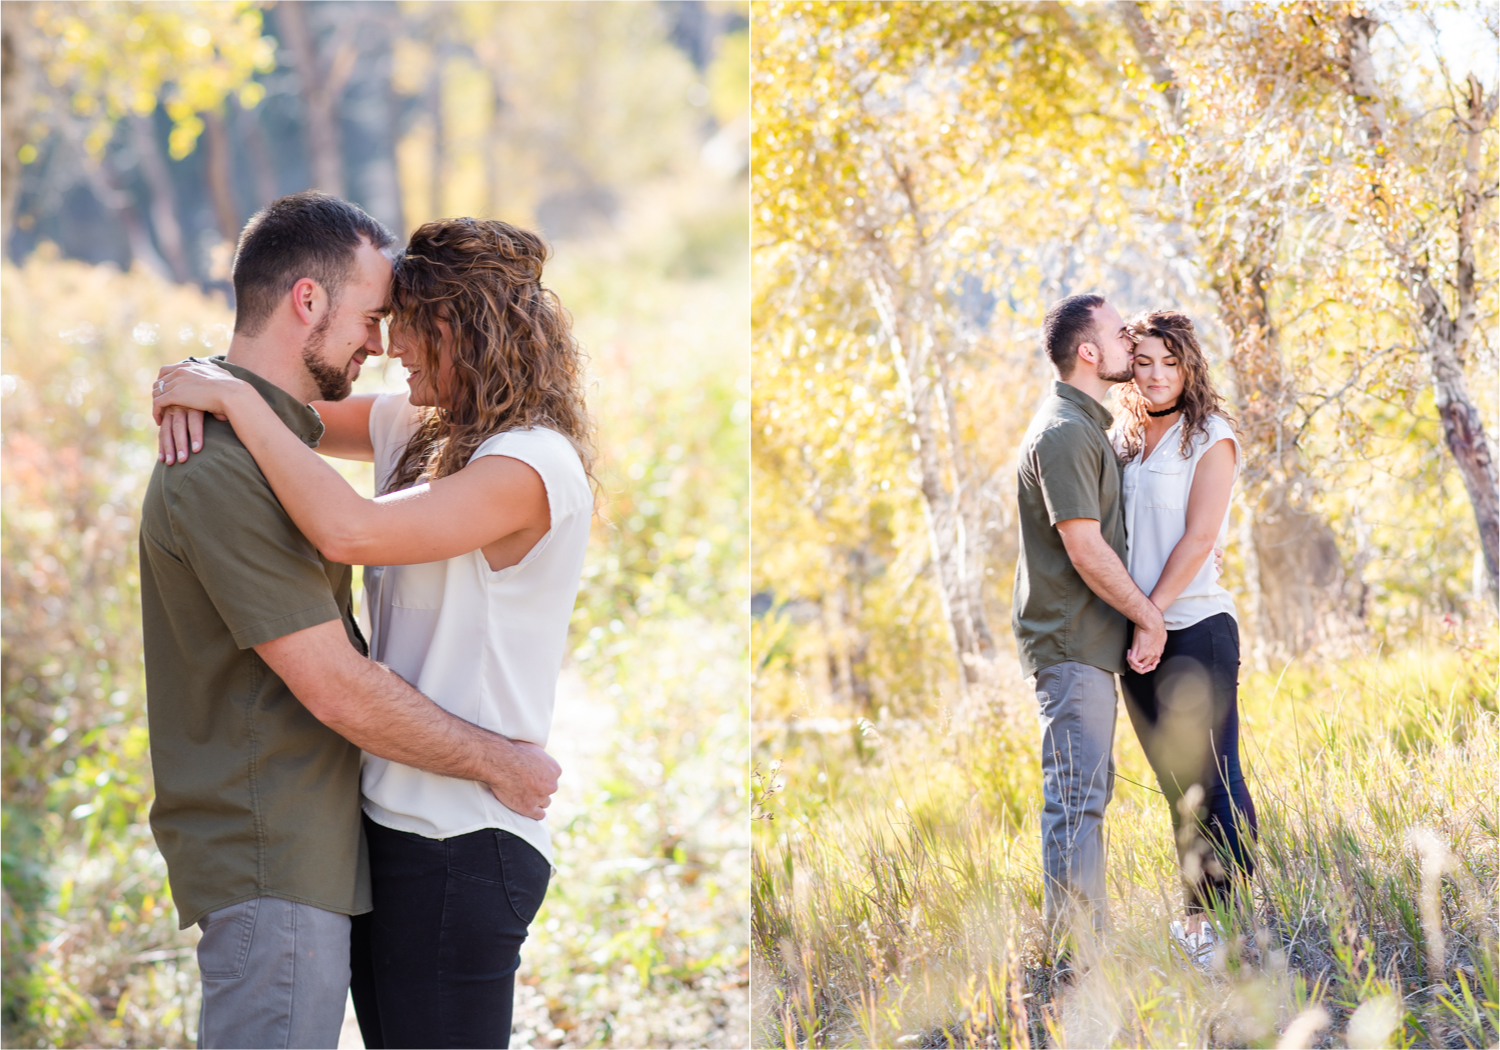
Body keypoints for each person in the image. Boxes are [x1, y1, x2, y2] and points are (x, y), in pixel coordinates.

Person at [153, 216, 595, 1048]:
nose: (390, 346)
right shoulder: (417, 432)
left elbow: (346, 529)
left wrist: (233, 400)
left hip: (468, 836)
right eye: (382, 320)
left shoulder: (531, 467)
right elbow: (296, 396)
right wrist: (197, 380)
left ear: (464, 328)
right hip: (389, 832)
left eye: (408, 324)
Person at [1011, 293, 1168, 973]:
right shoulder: (1064, 432)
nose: (1129, 340)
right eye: (1117, 331)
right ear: (1087, 351)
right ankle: (1078, 962)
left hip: (1084, 645)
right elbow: (1085, 548)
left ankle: (1077, 949)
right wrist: (1147, 613)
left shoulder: (1084, 425)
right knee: (1077, 800)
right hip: (1071, 644)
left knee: (1085, 797)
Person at [1113, 309, 1257, 968]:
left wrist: (1152, 613)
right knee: (1178, 785)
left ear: (1190, 364)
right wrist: (1134, 620)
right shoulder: (1123, 439)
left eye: (1170, 361)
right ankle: (1199, 923)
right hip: (1135, 639)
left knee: (1213, 777)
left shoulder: (1212, 435)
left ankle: (1228, 924)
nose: (1158, 374)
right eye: (1144, 361)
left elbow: (1201, 536)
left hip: (1195, 625)